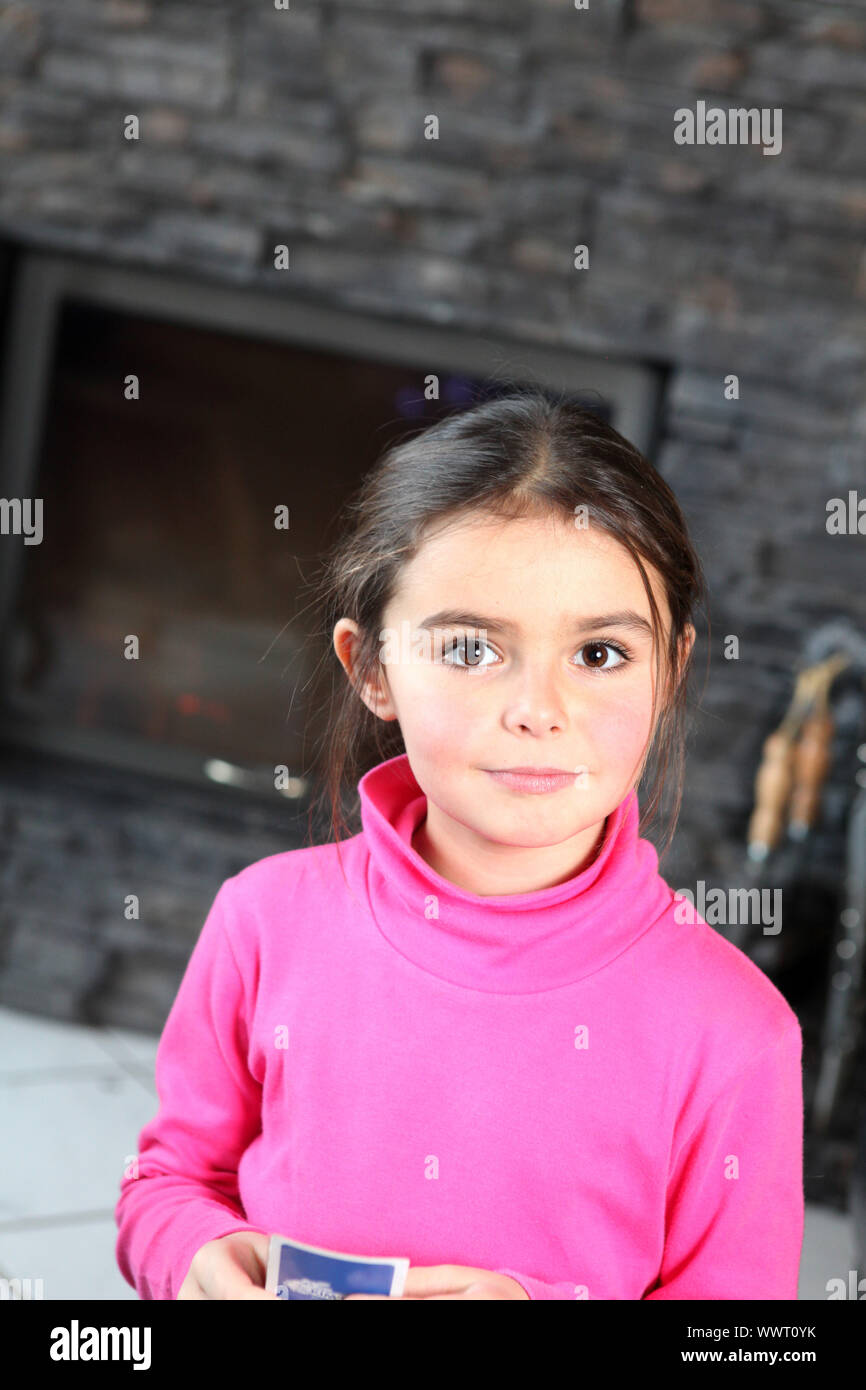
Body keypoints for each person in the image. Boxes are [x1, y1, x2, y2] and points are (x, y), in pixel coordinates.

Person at [115, 387, 804, 1300]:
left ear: (669, 671)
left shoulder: (735, 1033)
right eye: (472, 649)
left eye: (599, 654)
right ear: (371, 669)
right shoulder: (263, 919)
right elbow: (167, 1186)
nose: (537, 712)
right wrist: (195, 1254)